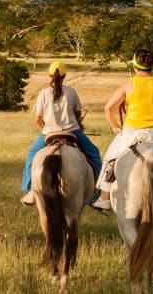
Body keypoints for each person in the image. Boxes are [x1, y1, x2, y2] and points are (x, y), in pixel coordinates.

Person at [89, 49, 153, 214]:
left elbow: (108, 108)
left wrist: (116, 127)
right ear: (151, 66)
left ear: (135, 66)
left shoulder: (128, 84)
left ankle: (104, 198)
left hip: (133, 129)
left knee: (110, 158)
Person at [20, 61, 102, 206]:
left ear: (49, 76)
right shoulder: (71, 92)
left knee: (32, 155)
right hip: (72, 130)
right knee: (94, 153)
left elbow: (37, 119)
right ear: (64, 76)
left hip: (48, 133)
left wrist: (47, 128)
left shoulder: (44, 94)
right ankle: (98, 191)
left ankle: (29, 190)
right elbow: (77, 113)